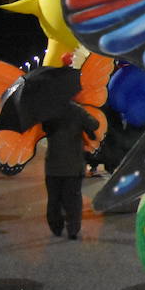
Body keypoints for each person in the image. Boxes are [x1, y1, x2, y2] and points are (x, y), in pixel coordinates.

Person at [41, 100, 98, 239]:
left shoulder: (47, 112)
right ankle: (73, 229)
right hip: (74, 165)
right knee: (73, 198)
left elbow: (45, 129)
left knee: (54, 198)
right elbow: (95, 124)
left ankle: (56, 227)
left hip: (53, 165)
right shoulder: (77, 110)